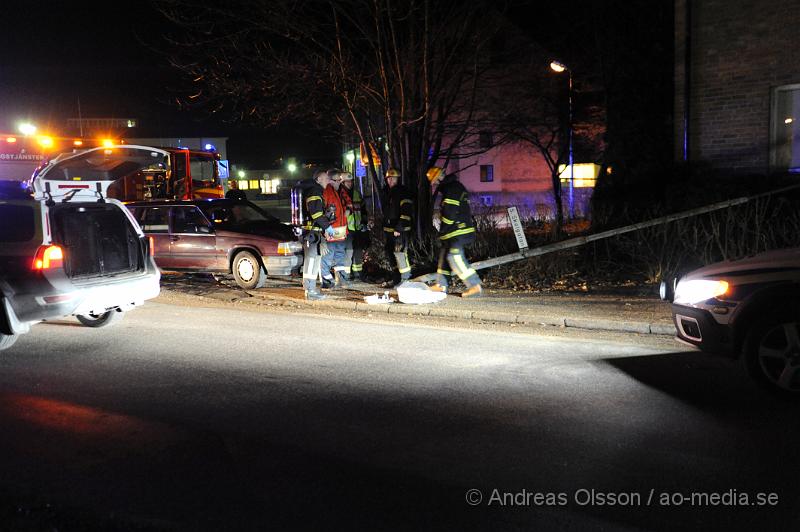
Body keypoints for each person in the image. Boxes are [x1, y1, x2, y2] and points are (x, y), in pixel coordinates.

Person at [427, 166, 482, 298]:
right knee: (444, 255)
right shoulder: (452, 187)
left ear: (440, 177)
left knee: (454, 257)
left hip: (459, 231)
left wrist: (443, 230)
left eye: (435, 181)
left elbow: (450, 213)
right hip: (455, 231)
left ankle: (474, 286)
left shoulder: (451, 188)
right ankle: (441, 285)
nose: (434, 184)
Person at [296, 169, 336, 300]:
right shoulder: (315, 191)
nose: (328, 180)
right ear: (318, 180)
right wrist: (328, 226)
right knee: (311, 262)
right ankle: (310, 291)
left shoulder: (317, 191)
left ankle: (311, 289)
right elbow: (316, 214)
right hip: (311, 234)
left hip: (315, 233)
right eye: (326, 178)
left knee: (314, 261)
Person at [382, 167, 414, 286]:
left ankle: (405, 279)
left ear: (398, 179)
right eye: (388, 178)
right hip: (389, 230)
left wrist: (399, 227)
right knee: (390, 253)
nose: (390, 180)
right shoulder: (387, 192)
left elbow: (406, 211)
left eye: (393, 178)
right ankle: (396, 279)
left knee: (400, 254)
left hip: (399, 230)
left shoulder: (402, 192)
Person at [319, 169, 349, 289]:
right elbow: (322, 212)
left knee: (340, 256)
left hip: (340, 230)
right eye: (335, 180)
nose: (338, 182)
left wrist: (349, 210)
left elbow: (347, 205)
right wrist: (325, 230)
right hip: (331, 230)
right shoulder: (326, 192)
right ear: (330, 180)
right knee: (328, 256)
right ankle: (327, 281)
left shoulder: (340, 191)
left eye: (339, 180)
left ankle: (340, 279)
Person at [338, 172, 370, 281]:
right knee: (348, 251)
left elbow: (363, 209)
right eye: (347, 181)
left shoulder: (357, 193)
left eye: (351, 181)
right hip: (346, 229)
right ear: (342, 182)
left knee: (358, 250)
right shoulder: (339, 195)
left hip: (358, 228)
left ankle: (358, 273)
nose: (350, 183)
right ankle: (346, 274)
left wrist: (364, 223)